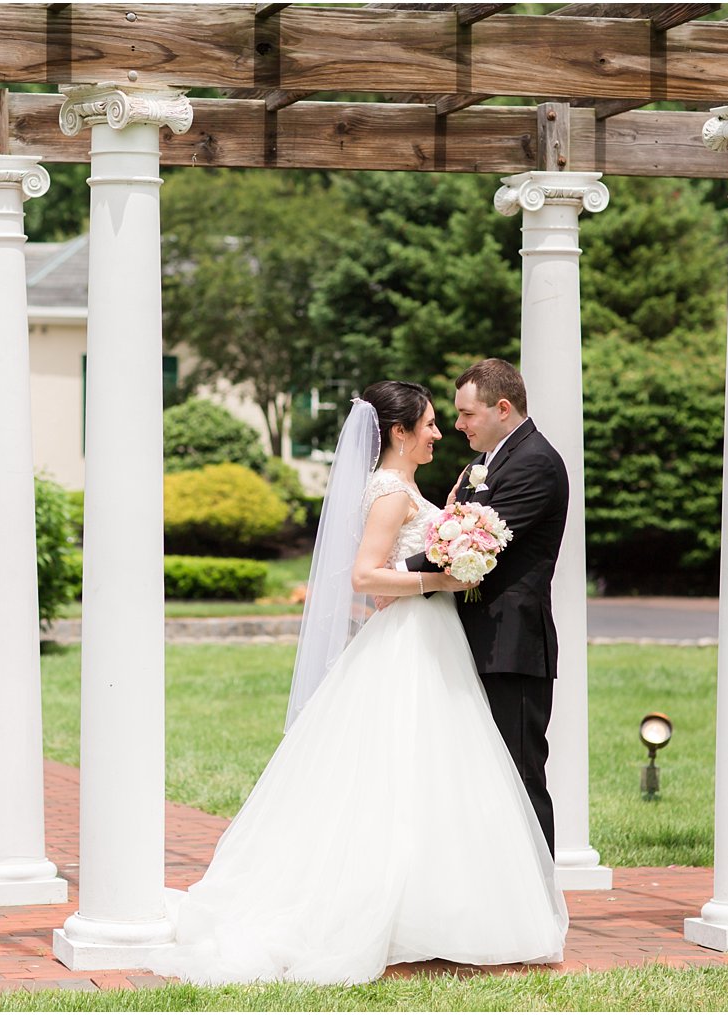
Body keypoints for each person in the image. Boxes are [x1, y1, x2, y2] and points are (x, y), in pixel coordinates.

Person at [150, 380, 567, 987]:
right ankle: (395, 913)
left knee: (437, 779)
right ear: (398, 432)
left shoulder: (429, 485)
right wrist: (440, 579)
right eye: (428, 423)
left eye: (448, 418)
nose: (440, 431)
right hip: (414, 637)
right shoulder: (391, 493)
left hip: (437, 640)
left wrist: (452, 552)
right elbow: (365, 576)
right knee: (397, 777)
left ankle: (440, 911)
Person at [400, 359, 569, 854]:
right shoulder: (487, 462)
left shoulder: (535, 461)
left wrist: (396, 574)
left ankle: (538, 900)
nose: (457, 425)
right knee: (479, 776)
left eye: (466, 413)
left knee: (518, 775)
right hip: (473, 639)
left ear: (501, 407)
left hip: (511, 646)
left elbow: (480, 545)